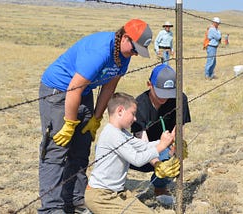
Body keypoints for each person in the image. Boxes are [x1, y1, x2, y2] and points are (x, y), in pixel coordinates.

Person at [38, 19, 153, 214]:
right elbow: (73, 88)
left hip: (83, 93)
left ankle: (76, 199)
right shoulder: (100, 51)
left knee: (81, 150)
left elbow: (109, 86)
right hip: (59, 92)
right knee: (57, 151)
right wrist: (69, 123)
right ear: (125, 37)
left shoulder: (123, 55)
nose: (134, 54)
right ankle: (52, 208)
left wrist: (96, 118)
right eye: (134, 49)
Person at [85, 92, 180, 213]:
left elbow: (143, 146)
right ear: (120, 111)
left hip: (117, 193)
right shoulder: (112, 134)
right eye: (133, 114)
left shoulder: (122, 133)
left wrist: (165, 141)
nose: (135, 118)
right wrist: (161, 146)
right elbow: (137, 159)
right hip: (101, 196)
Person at [130, 64, 191, 200]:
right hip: (142, 150)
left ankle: (160, 188)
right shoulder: (139, 105)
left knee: (173, 159)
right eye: (160, 92)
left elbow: (178, 127)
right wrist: (157, 164)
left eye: (169, 93)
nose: (165, 98)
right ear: (149, 85)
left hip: (165, 147)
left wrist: (176, 147)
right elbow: (142, 143)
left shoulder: (180, 99)